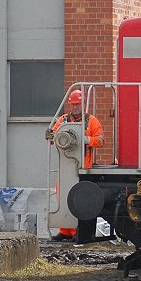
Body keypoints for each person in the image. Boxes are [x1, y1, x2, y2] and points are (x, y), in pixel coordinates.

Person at [45, 89, 105, 241]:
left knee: (80, 201)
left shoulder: (91, 121)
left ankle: (78, 231)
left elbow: (101, 140)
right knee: (63, 197)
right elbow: (53, 136)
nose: (75, 107)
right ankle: (65, 231)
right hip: (65, 167)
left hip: (83, 168)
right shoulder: (63, 120)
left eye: (77, 104)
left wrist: (87, 140)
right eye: (73, 104)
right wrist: (50, 135)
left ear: (83, 104)